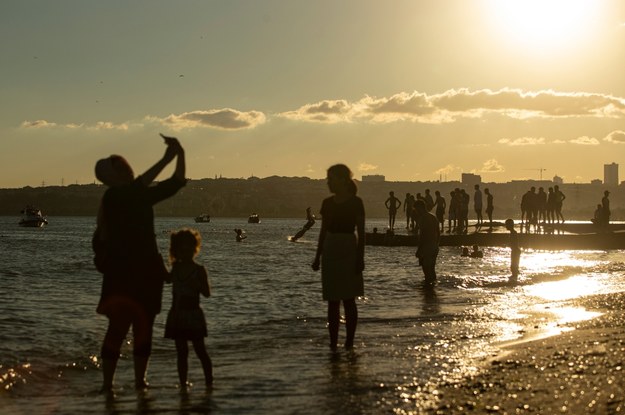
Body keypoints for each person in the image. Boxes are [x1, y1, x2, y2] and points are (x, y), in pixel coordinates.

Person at [93, 133, 186, 392]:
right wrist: (168, 156)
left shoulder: (136, 196)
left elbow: (176, 183)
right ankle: (108, 385)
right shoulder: (113, 198)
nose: (124, 168)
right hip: (126, 275)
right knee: (118, 329)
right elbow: (141, 187)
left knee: (143, 328)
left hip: (144, 275)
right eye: (116, 166)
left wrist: (180, 154)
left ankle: (138, 381)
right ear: (111, 177)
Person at [312, 164, 365, 351]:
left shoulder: (356, 202)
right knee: (332, 300)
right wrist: (317, 256)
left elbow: (362, 232)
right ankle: (333, 343)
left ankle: (349, 342)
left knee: (349, 299)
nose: (328, 183)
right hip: (330, 248)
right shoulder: (327, 203)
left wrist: (361, 257)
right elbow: (323, 231)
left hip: (348, 247)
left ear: (342, 180)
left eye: (331, 179)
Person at [164, 229, 213, 388]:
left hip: (193, 316)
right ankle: (183, 383)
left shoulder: (199, 270)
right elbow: (167, 280)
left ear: (195, 249)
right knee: (181, 352)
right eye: (182, 250)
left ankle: (209, 382)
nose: (186, 253)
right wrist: (157, 263)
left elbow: (206, 293)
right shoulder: (176, 268)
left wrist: (197, 285)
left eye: (189, 249)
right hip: (178, 315)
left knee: (200, 350)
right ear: (177, 251)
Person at [414, 199, 440, 283]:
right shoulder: (433, 216)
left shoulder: (423, 218)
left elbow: (423, 235)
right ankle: (432, 289)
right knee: (432, 269)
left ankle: (428, 289)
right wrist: (437, 244)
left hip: (427, 247)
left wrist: (419, 249)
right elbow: (438, 232)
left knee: (426, 269)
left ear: (420, 207)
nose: (416, 212)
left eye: (417, 209)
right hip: (434, 246)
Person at [505, 218, 520, 283]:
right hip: (515, 250)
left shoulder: (513, 233)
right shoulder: (512, 233)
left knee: (514, 266)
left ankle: (514, 279)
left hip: (515, 251)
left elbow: (514, 243)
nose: (506, 226)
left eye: (506, 225)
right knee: (513, 266)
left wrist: (509, 244)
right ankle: (514, 278)